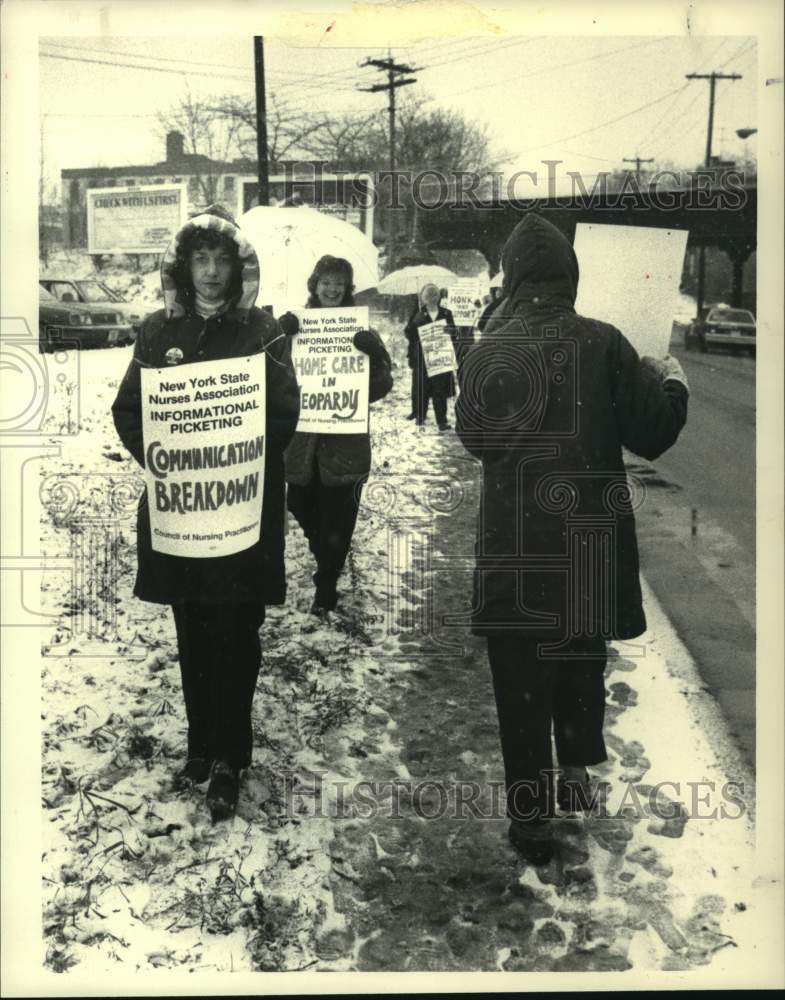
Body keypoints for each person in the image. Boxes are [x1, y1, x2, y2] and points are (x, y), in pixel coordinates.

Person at [455, 214, 689, 865]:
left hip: (515, 548)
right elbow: (652, 432)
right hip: (586, 544)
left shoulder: (491, 348)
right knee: (580, 660)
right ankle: (577, 772)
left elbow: (474, 437)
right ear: (569, 276)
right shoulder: (606, 343)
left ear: (511, 277)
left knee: (520, 679)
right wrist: (670, 379)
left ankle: (531, 823)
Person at [111, 205, 300, 822]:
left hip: (241, 516)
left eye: (222, 259)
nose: (212, 271)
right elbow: (129, 412)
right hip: (181, 515)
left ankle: (229, 756)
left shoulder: (262, 333)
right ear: (183, 264)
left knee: (236, 634)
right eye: (201, 258)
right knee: (192, 632)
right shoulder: (156, 332)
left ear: (239, 265)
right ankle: (200, 744)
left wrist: (234, 461)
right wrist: (170, 462)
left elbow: (284, 414)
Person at [279, 255, 393, 615]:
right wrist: (281, 337)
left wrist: (374, 356)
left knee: (339, 522)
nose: (332, 289)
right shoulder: (298, 327)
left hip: (345, 447)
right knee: (301, 505)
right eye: (326, 282)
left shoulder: (360, 330)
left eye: (339, 283)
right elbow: (273, 377)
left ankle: (326, 583)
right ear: (314, 285)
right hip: (302, 448)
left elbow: (380, 386)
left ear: (347, 289)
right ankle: (325, 558)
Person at [404, 282, 457, 431]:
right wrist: (414, 323)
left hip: (440, 358)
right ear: (423, 298)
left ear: (439, 297)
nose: (432, 298)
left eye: (434, 295)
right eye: (428, 296)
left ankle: (442, 421)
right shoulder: (418, 314)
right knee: (422, 388)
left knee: (439, 389)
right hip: (422, 357)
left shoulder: (447, 313)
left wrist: (450, 331)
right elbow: (408, 334)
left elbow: (454, 334)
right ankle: (420, 418)